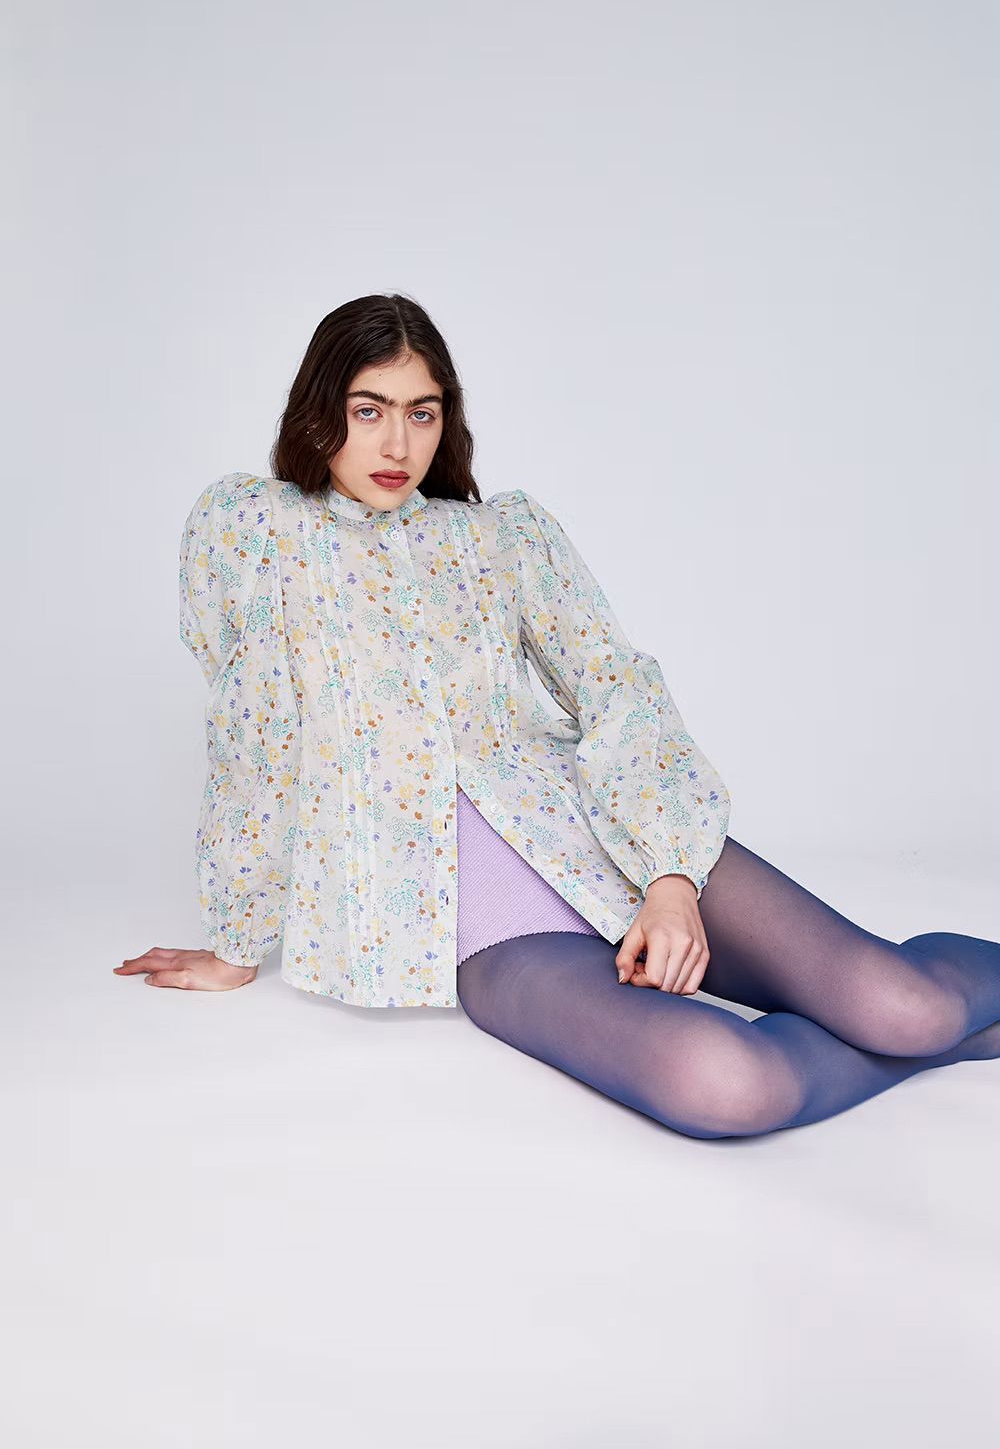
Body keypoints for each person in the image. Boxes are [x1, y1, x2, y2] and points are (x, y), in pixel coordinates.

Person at [114, 293, 1000, 1139]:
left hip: (606, 839)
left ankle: (927, 1036)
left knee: (910, 1007)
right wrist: (237, 940)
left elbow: (615, 685)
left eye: (422, 413)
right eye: (368, 409)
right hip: (491, 929)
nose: (397, 443)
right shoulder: (259, 534)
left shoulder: (501, 536)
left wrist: (669, 881)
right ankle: (942, 1051)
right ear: (321, 412)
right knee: (730, 1083)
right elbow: (255, 742)